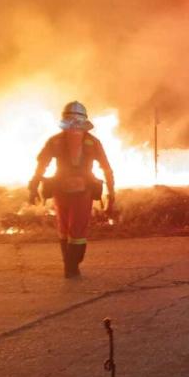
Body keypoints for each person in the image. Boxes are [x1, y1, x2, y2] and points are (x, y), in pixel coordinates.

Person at [28, 101, 115, 278]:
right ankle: (72, 267)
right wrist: (111, 193)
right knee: (78, 229)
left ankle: (69, 265)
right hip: (82, 192)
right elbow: (106, 168)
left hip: (62, 190)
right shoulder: (92, 142)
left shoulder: (55, 141)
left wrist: (33, 186)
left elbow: (41, 166)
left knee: (65, 227)